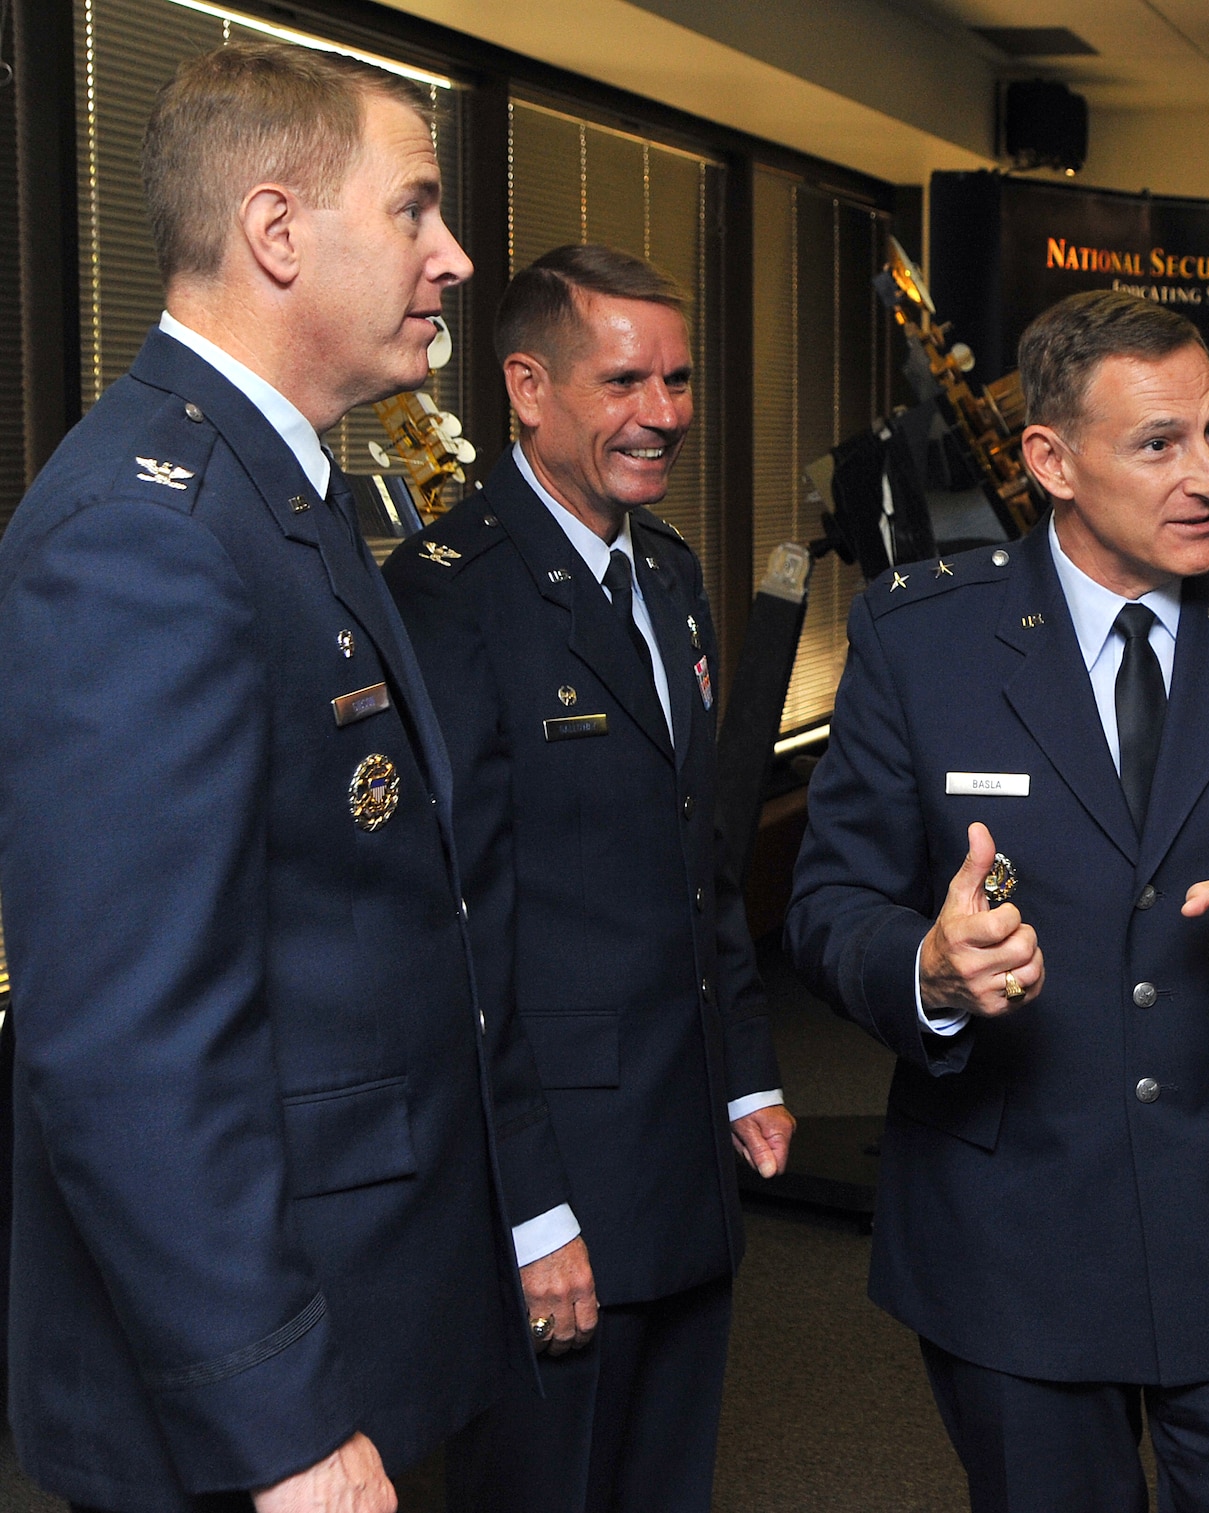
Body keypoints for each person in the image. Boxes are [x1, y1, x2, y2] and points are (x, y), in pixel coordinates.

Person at [0, 44, 572, 1512]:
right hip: (254, 1398)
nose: (451, 257)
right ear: (275, 232)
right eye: (416, 210)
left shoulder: (280, 493)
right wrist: (281, 1424)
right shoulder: (146, 533)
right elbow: (132, 1042)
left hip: (358, 1308)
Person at [786, 289, 1209, 1513]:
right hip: (1011, 1228)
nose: (1208, 476)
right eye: (1157, 443)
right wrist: (926, 972)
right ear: (1050, 461)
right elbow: (829, 902)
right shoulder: (919, 640)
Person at [384, 244, 794, 1513]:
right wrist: (529, 1211)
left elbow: (697, 851)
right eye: (624, 381)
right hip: (551, 1179)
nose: (663, 414)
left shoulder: (665, 573)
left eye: (675, 379)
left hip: (679, 1145)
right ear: (526, 386)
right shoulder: (450, 595)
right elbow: (458, 934)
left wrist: (751, 1068)